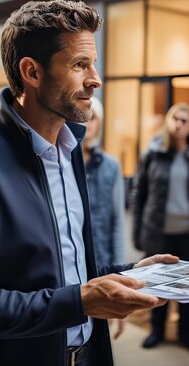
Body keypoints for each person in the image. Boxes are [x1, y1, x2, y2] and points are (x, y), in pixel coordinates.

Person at [0, 0, 177, 366]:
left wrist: (127, 275)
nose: (95, 79)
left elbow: (65, 271)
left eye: (93, 64)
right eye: (79, 65)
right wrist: (81, 302)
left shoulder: (70, 151)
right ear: (32, 72)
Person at [132, 102, 189, 354]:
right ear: (168, 122)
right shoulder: (153, 153)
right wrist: (137, 232)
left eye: (184, 120)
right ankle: (156, 330)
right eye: (175, 119)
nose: (178, 124)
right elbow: (139, 194)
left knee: (188, 288)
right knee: (157, 286)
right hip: (158, 234)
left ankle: (185, 333)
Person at [82, 97, 126, 339]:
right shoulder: (62, 162)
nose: (88, 123)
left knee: (98, 339)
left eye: (94, 117)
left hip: (103, 266)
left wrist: (120, 279)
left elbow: (117, 223)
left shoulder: (111, 166)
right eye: (85, 116)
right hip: (70, 272)